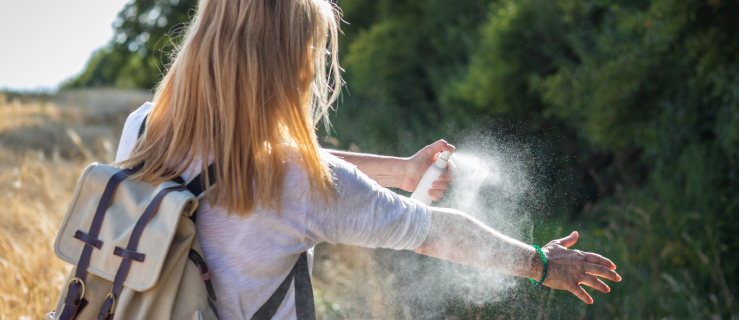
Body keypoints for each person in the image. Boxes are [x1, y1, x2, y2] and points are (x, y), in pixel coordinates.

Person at [116, 0, 621, 319]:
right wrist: (541, 264)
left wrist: (401, 171)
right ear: (288, 60)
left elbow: (254, 155)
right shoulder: (299, 183)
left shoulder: (144, 128)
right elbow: (434, 232)